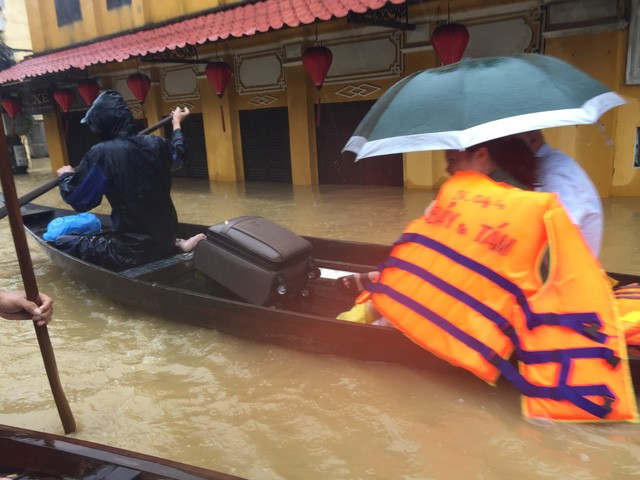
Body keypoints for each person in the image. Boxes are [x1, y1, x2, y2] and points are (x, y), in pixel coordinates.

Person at [336, 136, 537, 296]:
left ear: (481, 155)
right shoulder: (509, 190)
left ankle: (385, 280)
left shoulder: (493, 199)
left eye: (451, 161)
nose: (447, 170)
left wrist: (437, 216)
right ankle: (385, 276)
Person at [53, 90, 205, 271]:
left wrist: (66, 176)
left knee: (62, 241)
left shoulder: (102, 153)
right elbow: (179, 156)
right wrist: (176, 124)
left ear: (101, 124)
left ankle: (174, 246)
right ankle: (176, 245)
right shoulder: (156, 144)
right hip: (165, 240)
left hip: (130, 253)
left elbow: (80, 200)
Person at [514, 130, 603, 257]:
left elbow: (561, 237)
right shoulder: (546, 166)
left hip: (571, 269)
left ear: (532, 139)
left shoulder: (553, 173)